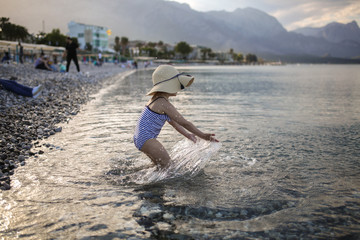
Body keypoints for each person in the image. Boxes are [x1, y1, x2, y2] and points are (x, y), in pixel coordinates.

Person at [133, 65, 218, 169]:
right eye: (178, 85)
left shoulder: (156, 100)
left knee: (160, 168)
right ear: (169, 86)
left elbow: (174, 123)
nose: (179, 88)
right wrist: (203, 135)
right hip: (147, 139)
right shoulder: (163, 103)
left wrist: (188, 135)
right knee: (169, 167)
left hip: (140, 138)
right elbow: (184, 123)